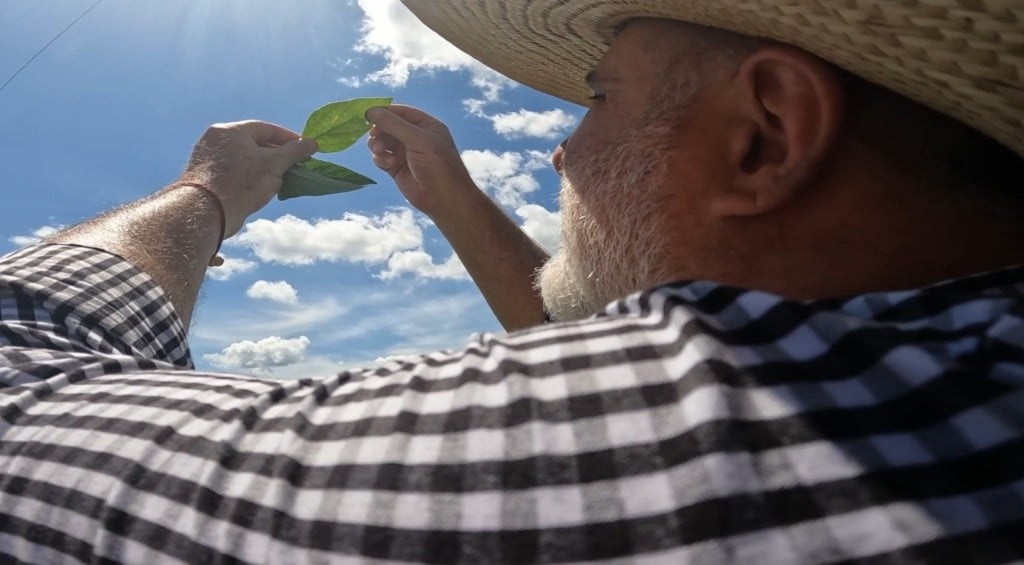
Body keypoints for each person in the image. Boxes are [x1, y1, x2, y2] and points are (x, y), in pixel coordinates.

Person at [1, 0, 1022, 563]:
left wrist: (206, 190)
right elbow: (579, 326)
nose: (561, 154)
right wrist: (448, 201)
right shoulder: (954, 370)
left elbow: (20, 395)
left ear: (765, 135)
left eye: (596, 95)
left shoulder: (757, 430)